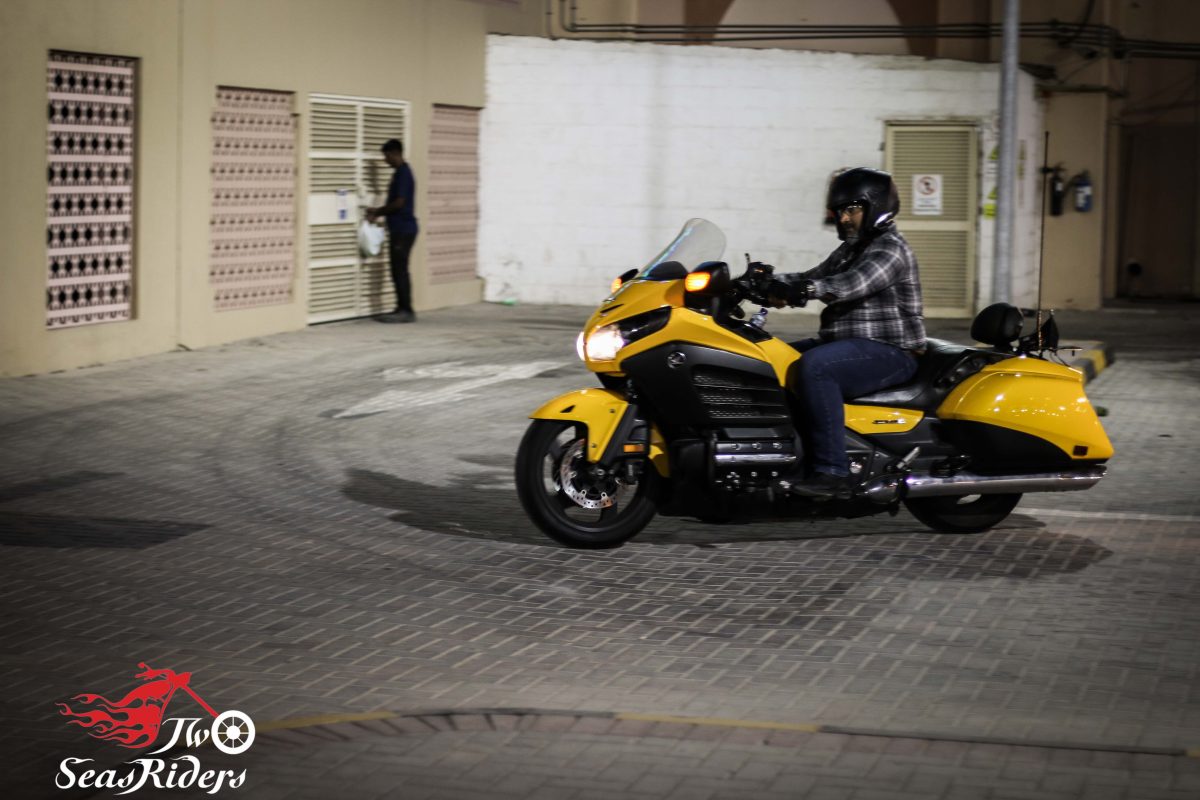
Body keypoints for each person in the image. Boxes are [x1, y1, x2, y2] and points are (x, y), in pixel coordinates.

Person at [762, 167, 926, 499]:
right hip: (848, 344)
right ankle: (790, 456)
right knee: (769, 360)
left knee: (816, 367)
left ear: (876, 206)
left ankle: (833, 472)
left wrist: (805, 290)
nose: (844, 218)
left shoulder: (890, 248)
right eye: (840, 211)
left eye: (852, 209)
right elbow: (814, 275)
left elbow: (850, 284)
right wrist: (760, 283)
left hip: (891, 351)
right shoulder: (853, 248)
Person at [367, 139, 419, 323]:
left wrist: (378, 212)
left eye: (386, 156)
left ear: (394, 153)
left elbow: (399, 203)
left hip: (403, 229)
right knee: (397, 269)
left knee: (400, 270)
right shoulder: (400, 173)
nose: (385, 160)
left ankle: (406, 310)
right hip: (400, 228)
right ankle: (401, 307)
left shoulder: (403, 173)